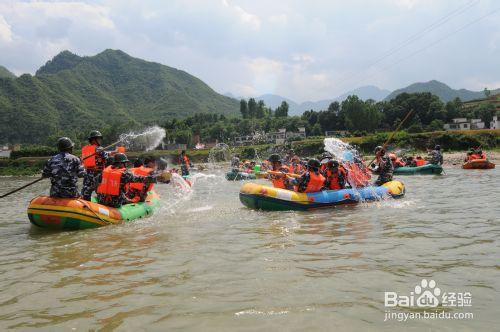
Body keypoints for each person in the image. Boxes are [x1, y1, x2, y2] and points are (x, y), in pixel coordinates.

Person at [81, 130, 110, 201]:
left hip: (87, 174)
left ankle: (85, 203)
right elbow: (106, 156)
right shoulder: (99, 148)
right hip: (97, 175)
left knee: (86, 192)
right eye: (99, 139)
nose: (100, 140)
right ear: (94, 140)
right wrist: (115, 152)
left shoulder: (85, 148)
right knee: (100, 192)